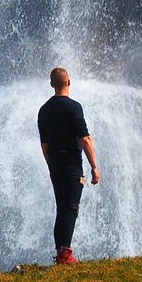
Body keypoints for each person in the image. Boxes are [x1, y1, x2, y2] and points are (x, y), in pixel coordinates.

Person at [37, 66, 97, 263]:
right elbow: (84, 138)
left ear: (52, 84)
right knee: (70, 206)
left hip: (54, 162)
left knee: (61, 207)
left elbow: (44, 145)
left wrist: (51, 165)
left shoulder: (44, 110)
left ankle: (61, 252)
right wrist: (94, 166)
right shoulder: (74, 107)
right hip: (71, 162)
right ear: (69, 83)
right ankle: (65, 253)